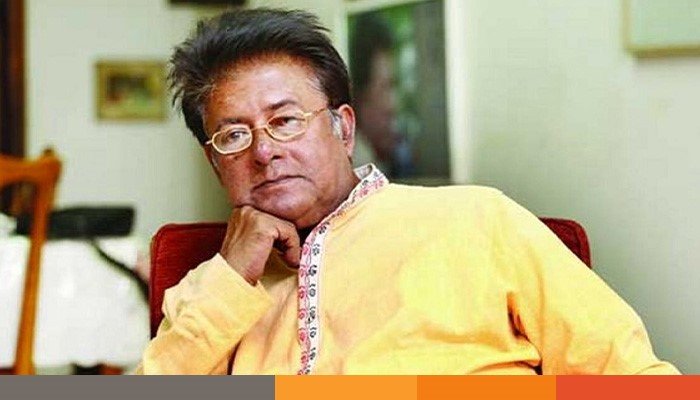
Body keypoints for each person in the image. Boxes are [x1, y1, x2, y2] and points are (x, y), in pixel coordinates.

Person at [136, 8, 678, 375]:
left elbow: (630, 376)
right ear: (215, 161)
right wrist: (231, 278)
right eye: (233, 135)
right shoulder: (210, 288)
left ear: (344, 128)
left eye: (286, 121)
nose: (263, 151)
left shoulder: (478, 219)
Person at [350, 13, 414, 178]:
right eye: (386, 87)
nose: (393, 106)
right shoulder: (356, 173)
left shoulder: (393, 159)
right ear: (360, 98)